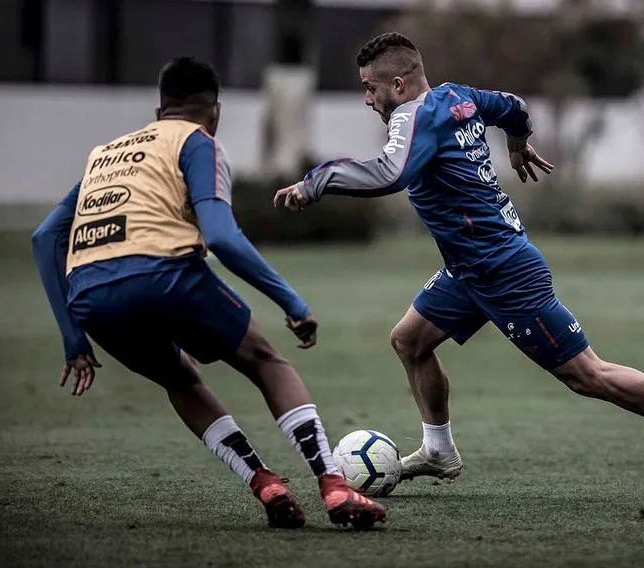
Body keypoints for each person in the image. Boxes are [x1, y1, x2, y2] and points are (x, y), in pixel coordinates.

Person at [274, 33, 644, 492]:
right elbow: (514, 106)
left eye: (369, 88)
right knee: (410, 341)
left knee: (587, 376)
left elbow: (389, 173)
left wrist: (314, 183)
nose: (367, 99)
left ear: (398, 85)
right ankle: (438, 451)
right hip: (470, 268)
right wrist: (517, 142)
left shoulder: (413, 117)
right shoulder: (461, 96)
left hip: (502, 270)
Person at [31, 56, 387, 529]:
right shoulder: (197, 143)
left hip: (91, 296)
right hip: (164, 273)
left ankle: (265, 482)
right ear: (214, 112)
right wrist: (291, 302)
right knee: (265, 361)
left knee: (180, 378)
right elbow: (220, 236)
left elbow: (45, 237)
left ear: (160, 111)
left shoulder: (105, 154)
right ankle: (333, 485)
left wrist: (74, 340)